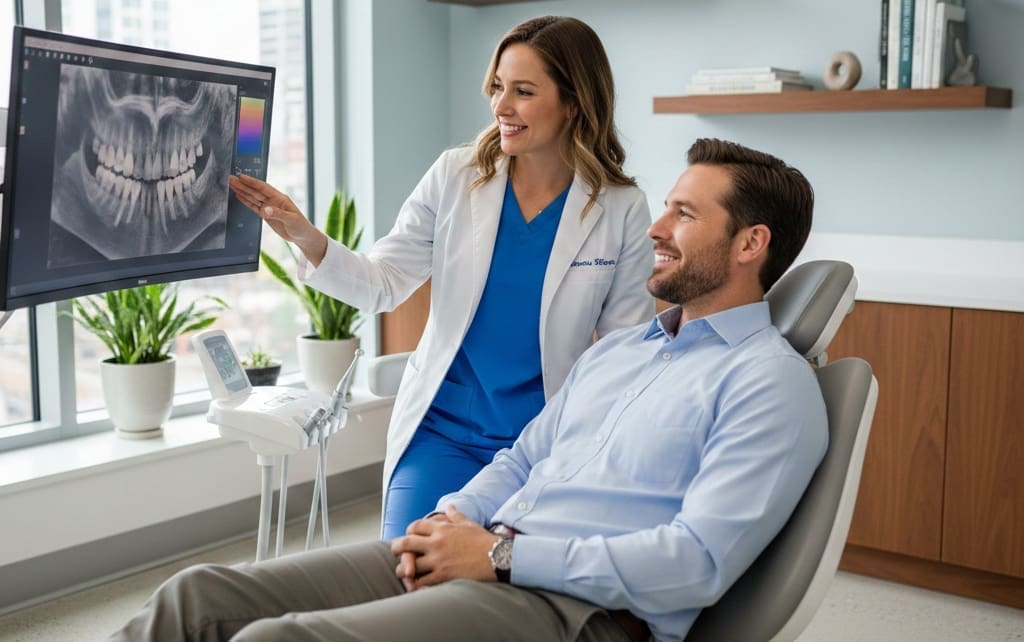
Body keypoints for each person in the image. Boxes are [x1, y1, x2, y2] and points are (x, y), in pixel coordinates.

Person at [111, 138, 826, 642]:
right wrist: (452, 522)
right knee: (199, 596)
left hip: (576, 612)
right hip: (488, 551)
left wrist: (500, 558)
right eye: (666, 207)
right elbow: (523, 458)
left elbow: (697, 563)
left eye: (685, 215)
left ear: (750, 244)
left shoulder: (769, 384)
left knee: (278, 640)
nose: (657, 228)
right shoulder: (622, 353)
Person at [229, 16, 654, 540]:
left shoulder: (621, 208)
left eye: (523, 92)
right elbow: (382, 283)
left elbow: (622, 354)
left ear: (574, 102)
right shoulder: (456, 175)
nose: (501, 106)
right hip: (443, 433)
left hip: (543, 443)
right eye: (497, 87)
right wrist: (305, 235)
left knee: (503, 576)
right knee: (405, 562)